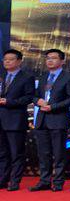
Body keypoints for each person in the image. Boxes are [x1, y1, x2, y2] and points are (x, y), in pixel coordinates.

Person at [30, 49, 70, 192]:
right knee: (43, 153)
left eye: (54, 58)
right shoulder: (43, 76)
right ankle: (44, 181)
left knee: (59, 153)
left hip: (58, 119)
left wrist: (53, 107)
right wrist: (38, 101)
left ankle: (58, 182)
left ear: (62, 61)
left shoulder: (69, 77)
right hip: (42, 120)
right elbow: (34, 96)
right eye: (48, 58)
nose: (50, 60)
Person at [0, 49, 35, 191]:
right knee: (2, 153)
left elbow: (29, 97)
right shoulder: (2, 76)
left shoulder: (26, 77)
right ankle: (2, 180)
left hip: (15, 120)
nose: (7, 62)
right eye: (5, 59)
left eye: (11, 59)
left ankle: (15, 181)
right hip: (1, 119)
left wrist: (9, 102)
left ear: (19, 61)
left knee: (16, 153)